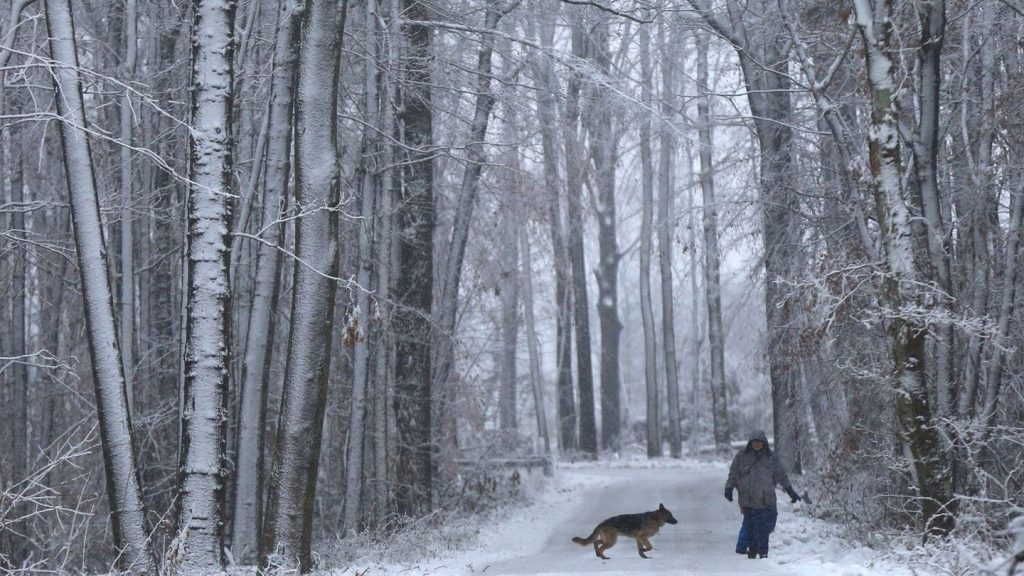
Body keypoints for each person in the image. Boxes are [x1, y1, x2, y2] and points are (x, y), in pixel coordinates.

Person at [724, 430, 800, 559]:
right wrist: (729, 488)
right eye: (754, 442)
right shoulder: (741, 456)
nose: (757, 445)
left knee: (766, 524)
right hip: (748, 497)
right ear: (750, 443)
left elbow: (781, 475)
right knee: (752, 526)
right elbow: (733, 473)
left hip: (766, 498)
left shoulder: (771, 457)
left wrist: (790, 491)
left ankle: (762, 550)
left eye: (759, 442)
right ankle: (756, 551)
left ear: (764, 443)